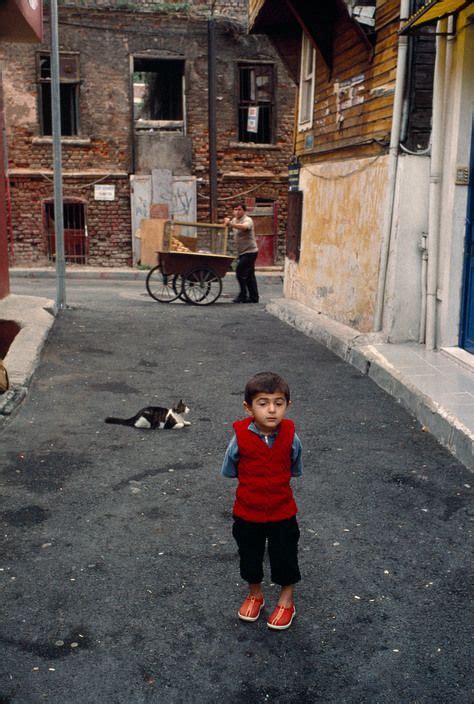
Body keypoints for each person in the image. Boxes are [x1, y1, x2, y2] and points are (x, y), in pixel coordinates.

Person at [221, 371, 303, 630]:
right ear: (248, 408)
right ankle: (255, 593)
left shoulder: (291, 436)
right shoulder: (240, 437)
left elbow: (295, 465)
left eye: (278, 403)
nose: (271, 410)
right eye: (263, 403)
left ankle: (286, 599)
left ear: (287, 406)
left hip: (282, 511)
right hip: (247, 512)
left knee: (285, 555)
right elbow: (230, 467)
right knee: (249, 555)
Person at [224, 203, 259, 303]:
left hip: (250, 251)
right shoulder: (235, 220)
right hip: (242, 252)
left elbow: (244, 227)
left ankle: (242, 295)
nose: (237, 211)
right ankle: (254, 297)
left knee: (240, 272)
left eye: (239, 209)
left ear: (244, 211)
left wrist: (230, 224)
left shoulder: (248, 220)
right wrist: (227, 222)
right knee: (249, 275)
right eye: (235, 209)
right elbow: (228, 224)